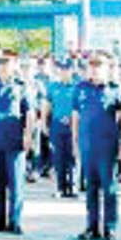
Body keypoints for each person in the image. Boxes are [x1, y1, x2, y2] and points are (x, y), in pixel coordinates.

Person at [73, 52, 121, 240]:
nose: (94, 70)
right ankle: (92, 227)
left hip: (107, 145)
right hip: (87, 145)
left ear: (106, 69)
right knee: (91, 188)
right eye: (91, 66)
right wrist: (75, 142)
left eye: (99, 66)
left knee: (109, 188)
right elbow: (76, 117)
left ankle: (110, 228)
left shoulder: (115, 89)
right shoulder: (80, 88)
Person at [0, 50, 33, 235]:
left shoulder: (21, 86)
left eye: (6, 62)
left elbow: (29, 112)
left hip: (14, 139)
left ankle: (15, 221)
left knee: (16, 182)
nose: (2, 66)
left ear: (14, 64)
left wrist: (28, 135)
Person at [45, 59, 78, 198]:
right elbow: (47, 105)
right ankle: (59, 187)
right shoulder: (53, 87)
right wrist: (44, 124)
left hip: (73, 125)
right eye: (62, 69)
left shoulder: (77, 86)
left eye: (67, 69)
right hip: (57, 125)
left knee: (73, 157)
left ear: (72, 70)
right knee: (58, 157)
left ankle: (72, 187)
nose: (64, 72)